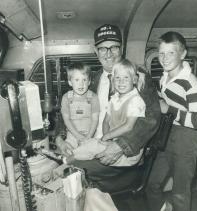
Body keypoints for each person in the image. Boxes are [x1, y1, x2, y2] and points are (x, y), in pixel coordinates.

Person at [56, 24, 161, 189]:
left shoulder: (138, 77)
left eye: (114, 47)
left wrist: (120, 146)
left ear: (122, 48)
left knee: (67, 174)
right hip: (91, 143)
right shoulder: (91, 79)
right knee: (55, 163)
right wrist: (60, 139)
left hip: (121, 153)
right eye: (103, 49)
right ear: (96, 51)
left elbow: (152, 118)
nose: (109, 53)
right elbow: (69, 108)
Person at [146, 31, 197, 211]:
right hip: (168, 137)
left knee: (180, 195)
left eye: (170, 53)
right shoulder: (164, 77)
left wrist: (170, 110)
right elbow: (163, 100)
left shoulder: (190, 83)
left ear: (182, 54)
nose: (164, 58)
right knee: (151, 185)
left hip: (187, 141)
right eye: (161, 53)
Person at [68, 59, 146, 166]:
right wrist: (106, 139)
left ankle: (65, 161)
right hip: (111, 142)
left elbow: (128, 126)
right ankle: (70, 159)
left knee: (89, 149)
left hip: (126, 152)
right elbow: (106, 121)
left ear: (134, 80)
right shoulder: (114, 98)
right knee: (87, 144)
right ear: (113, 80)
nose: (121, 82)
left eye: (126, 78)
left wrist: (107, 137)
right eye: (117, 78)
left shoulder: (136, 100)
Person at [60, 62, 100, 157]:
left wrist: (88, 138)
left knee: (90, 155)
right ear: (70, 82)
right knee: (69, 154)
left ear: (89, 81)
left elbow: (95, 119)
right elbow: (66, 120)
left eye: (84, 80)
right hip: (72, 135)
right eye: (77, 80)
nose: (81, 84)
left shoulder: (93, 97)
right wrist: (78, 136)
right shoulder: (66, 98)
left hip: (90, 134)